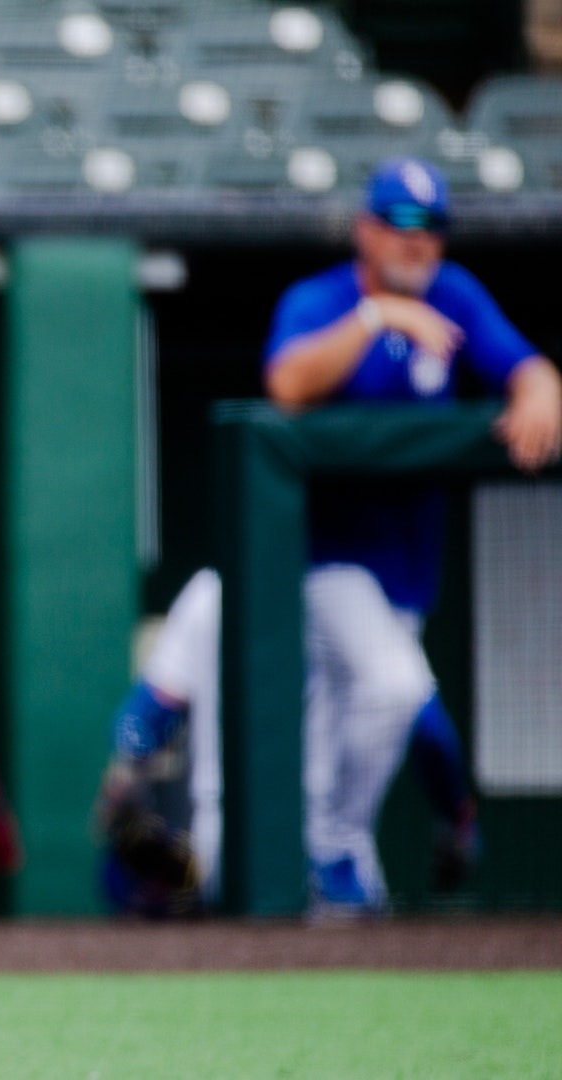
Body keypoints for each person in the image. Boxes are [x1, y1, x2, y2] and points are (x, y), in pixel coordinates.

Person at [260, 157, 560, 918]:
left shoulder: (455, 297)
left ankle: (338, 907)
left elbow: (523, 365)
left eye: (431, 230)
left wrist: (539, 386)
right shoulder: (322, 299)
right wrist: (376, 318)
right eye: (399, 225)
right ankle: (334, 848)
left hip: (408, 573)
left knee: (346, 731)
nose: (417, 243)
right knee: (395, 692)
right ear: (365, 230)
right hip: (320, 563)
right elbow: (286, 387)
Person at [96, 568, 484, 916]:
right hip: (333, 869)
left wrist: (125, 777)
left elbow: (140, 722)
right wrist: (456, 817)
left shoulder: (208, 592)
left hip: (225, 862)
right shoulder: (351, 589)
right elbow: (430, 731)